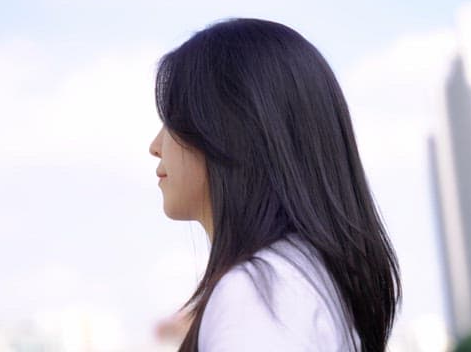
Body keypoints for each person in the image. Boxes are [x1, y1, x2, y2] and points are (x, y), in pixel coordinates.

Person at [148, 17, 402, 352]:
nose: (155, 145)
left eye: (172, 121)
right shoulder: (303, 279)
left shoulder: (257, 292)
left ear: (230, 129)